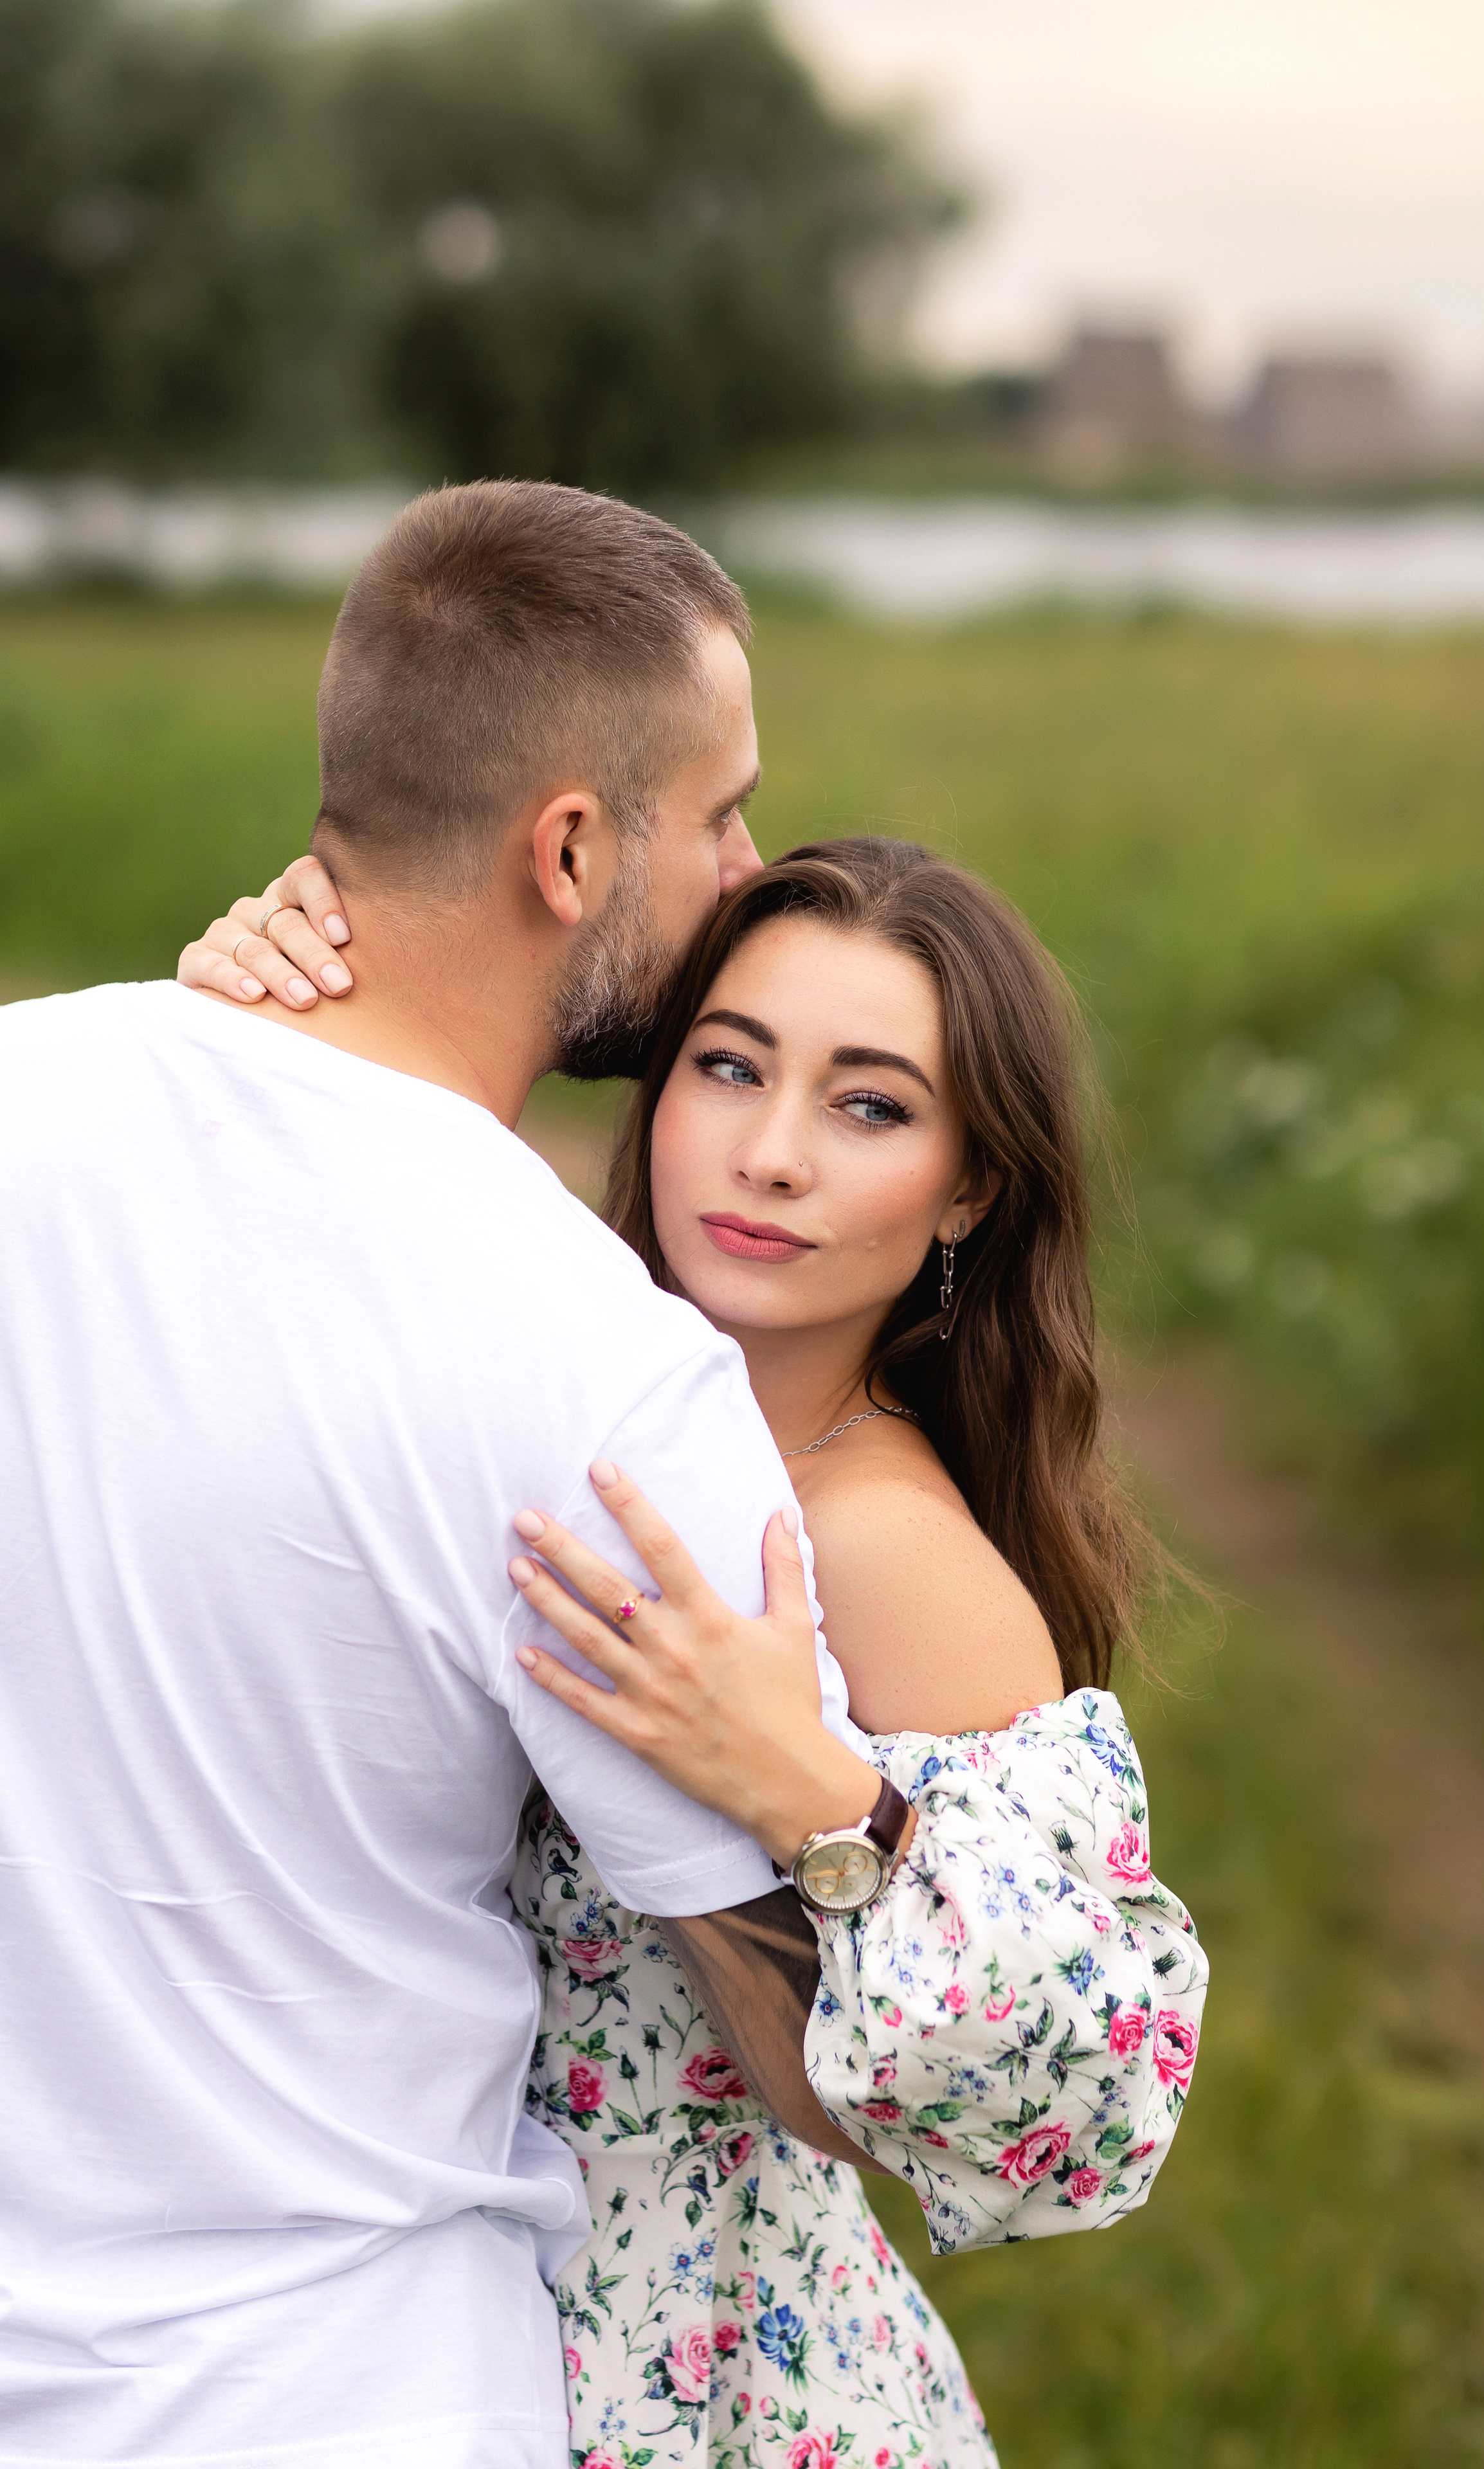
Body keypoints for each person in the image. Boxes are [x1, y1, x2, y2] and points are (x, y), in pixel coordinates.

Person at [0, 482, 880, 2469]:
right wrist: (842, 1813)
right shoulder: (598, 1366)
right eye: (723, 814)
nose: (749, 872)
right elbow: (825, 2066)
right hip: (342, 2395)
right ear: (569, 848)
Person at [185, 834, 1209, 2469]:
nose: (772, 1154)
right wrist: (279, 1016)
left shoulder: (876, 1551)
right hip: (347, 2316)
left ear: (967, 1186)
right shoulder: (551, 1389)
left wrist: (804, 1782)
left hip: (685, 2370)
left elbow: (1079, 2109)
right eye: (729, 1069)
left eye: (868, 1105)